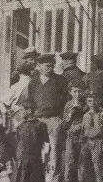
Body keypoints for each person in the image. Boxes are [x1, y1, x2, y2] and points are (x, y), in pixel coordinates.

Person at [26, 53, 69, 182]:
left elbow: (65, 100)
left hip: (54, 119)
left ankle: (54, 178)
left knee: (55, 150)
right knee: (37, 150)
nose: (50, 68)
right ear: (39, 66)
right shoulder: (33, 82)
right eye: (47, 66)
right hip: (38, 120)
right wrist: (31, 115)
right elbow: (29, 101)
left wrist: (61, 118)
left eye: (52, 66)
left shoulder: (60, 80)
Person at [79, 91, 103, 182]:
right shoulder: (86, 116)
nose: (91, 103)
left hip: (99, 145)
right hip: (87, 145)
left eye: (94, 100)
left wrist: (101, 147)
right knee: (84, 171)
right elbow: (84, 132)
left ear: (99, 101)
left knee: (99, 172)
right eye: (89, 101)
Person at [11, 108, 48, 182]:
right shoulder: (41, 125)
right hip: (35, 158)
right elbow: (46, 142)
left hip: (23, 159)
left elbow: (18, 142)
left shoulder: (21, 126)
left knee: (22, 178)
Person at [61, 80, 88, 182]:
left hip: (83, 137)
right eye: (74, 91)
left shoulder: (86, 105)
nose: (77, 94)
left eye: (79, 91)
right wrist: (70, 115)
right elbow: (64, 125)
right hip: (71, 137)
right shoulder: (68, 105)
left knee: (83, 163)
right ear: (70, 92)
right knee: (70, 162)